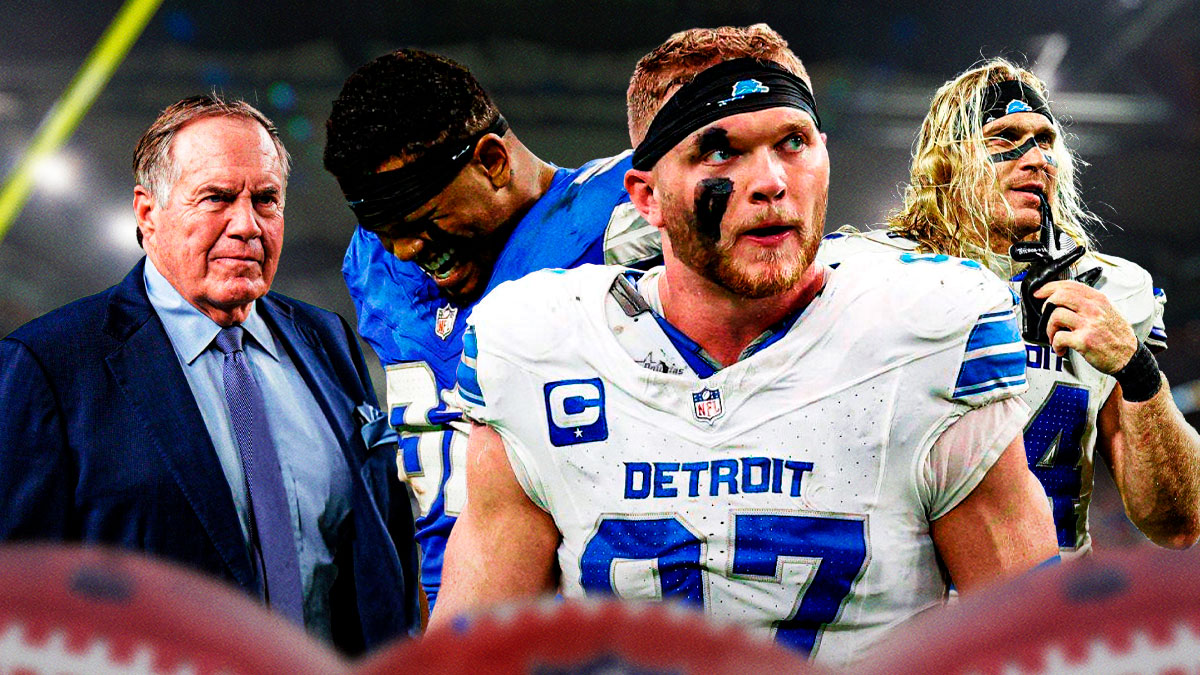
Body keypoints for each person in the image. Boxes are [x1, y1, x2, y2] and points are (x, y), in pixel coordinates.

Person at [430, 25, 1058, 667]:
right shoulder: (542, 343)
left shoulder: (924, 332)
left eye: (793, 142)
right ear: (647, 196)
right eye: (719, 151)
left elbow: (1032, 648)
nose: (771, 181)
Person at [0, 95, 418, 655]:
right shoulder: (50, 365)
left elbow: (378, 541)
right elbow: (21, 603)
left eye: (267, 200)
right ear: (147, 213)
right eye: (217, 198)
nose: (247, 225)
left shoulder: (328, 339)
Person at [817, 58, 1200, 556]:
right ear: (948, 161)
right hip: (906, 617)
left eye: (1046, 140)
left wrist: (1138, 370)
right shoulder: (866, 274)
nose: (1038, 157)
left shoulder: (1108, 289)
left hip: (1040, 619)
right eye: (1004, 137)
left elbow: (1178, 523)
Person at [323, 49, 660, 608]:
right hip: (438, 609)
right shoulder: (374, 265)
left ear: (493, 161)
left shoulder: (624, 218)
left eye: (422, 220)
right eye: (386, 231)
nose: (405, 249)